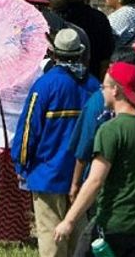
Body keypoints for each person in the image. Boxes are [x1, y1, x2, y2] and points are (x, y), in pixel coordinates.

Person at [54, 62, 135, 256]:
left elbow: (95, 180)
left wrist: (69, 221)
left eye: (103, 86)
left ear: (115, 90)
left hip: (114, 223)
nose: (101, 91)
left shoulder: (111, 130)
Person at [11, 29, 99, 257]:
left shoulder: (45, 85)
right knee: (78, 241)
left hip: (47, 174)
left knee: (52, 238)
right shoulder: (94, 87)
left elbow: (28, 129)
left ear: (54, 54)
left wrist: (21, 163)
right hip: (85, 177)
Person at [61, 0, 115, 78]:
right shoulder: (99, 17)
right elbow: (106, 55)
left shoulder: (62, 17)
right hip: (92, 73)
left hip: (65, 73)